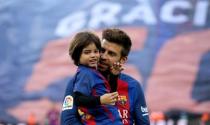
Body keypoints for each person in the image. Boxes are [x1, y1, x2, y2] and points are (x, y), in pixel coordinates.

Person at [61, 28, 150, 125]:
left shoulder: (133, 86)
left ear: (123, 60)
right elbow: (68, 121)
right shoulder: (77, 81)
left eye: (111, 54)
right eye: (102, 50)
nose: (103, 57)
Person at [61, 31, 122, 125]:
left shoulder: (93, 72)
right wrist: (100, 100)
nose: (93, 55)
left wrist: (114, 75)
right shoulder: (84, 73)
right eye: (87, 52)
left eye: (96, 51)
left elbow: (110, 96)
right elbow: (78, 99)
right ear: (77, 55)